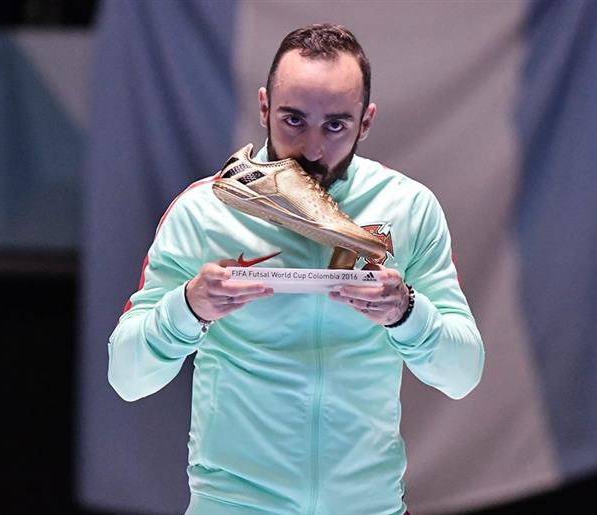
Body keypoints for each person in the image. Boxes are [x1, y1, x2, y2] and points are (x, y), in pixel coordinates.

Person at [108, 24, 484, 515]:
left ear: (366, 122)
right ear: (264, 107)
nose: (311, 148)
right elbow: (127, 377)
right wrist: (186, 308)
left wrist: (408, 312)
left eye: (335, 125)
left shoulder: (409, 208)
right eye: (293, 120)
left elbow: (462, 374)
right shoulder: (203, 212)